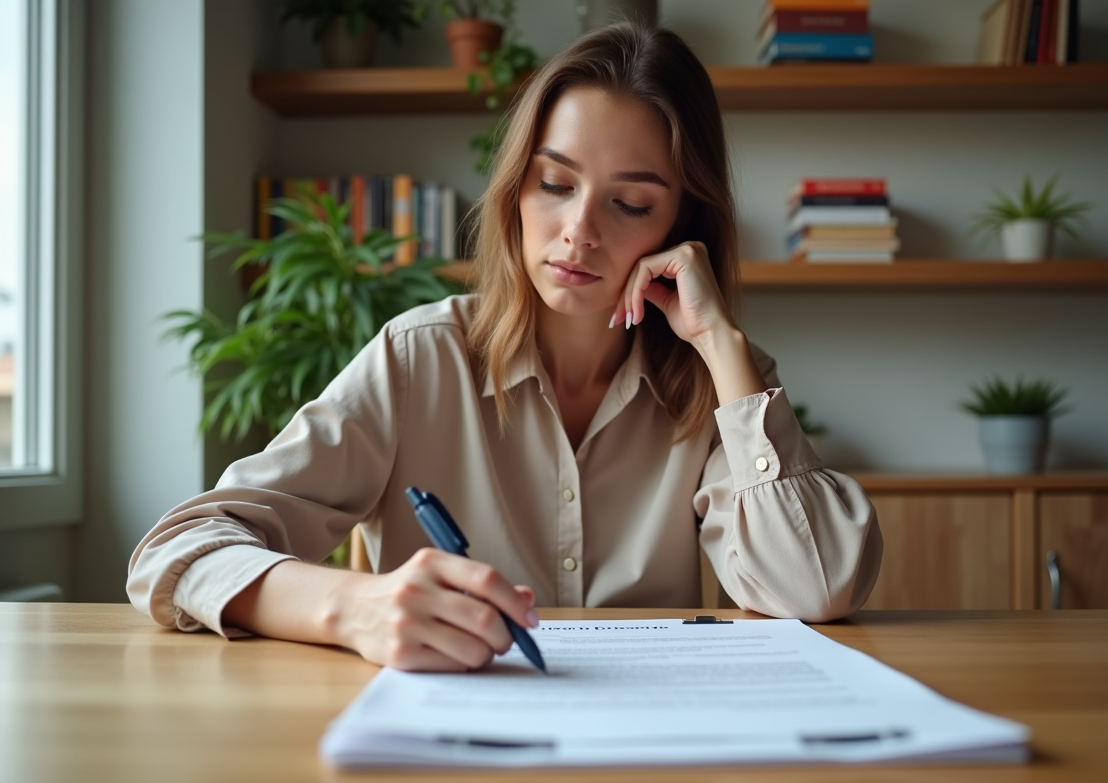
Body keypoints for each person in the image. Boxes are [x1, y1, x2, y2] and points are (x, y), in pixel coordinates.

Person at [127, 22, 882, 673]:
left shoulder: (721, 382)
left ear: (683, 227)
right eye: (555, 183)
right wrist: (354, 607)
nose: (580, 231)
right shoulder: (417, 358)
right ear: (516, 189)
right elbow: (178, 550)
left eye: (630, 203)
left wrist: (720, 343)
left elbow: (817, 588)